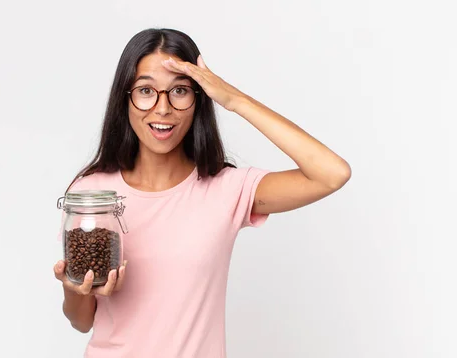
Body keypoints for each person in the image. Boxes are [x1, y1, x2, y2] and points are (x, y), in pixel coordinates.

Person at [53, 28, 351, 358]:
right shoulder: (92, 194)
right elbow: (81, 321)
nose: (162, 108)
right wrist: (74, 289)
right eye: (146, 90)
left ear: (199, 98)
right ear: (125, 99)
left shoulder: (226, 188)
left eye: (179, 90)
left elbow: (332, 174)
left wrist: (235, 100)